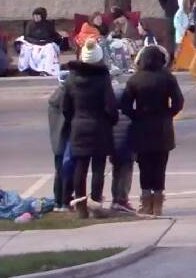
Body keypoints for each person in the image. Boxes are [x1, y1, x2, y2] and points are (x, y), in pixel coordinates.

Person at [121, 45, 184, 217]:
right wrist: (168, 114)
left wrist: (136, 115)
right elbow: (178, 102)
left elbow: (125, 105)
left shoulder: (135, 79)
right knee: (160, 166)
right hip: (162, 127)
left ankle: (146, 201)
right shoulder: (168, 78)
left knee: (144, 166)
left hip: (142, 126)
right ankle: (158, 202)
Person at [62, 39, 119, 219]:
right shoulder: (103, 78)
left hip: (79, 126)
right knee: (98, 168)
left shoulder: (71, 78)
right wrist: (112, 120)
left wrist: (73, 120)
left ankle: (80, 207)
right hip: (100, 127)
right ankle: (95, 204)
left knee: (80, 167)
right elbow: (110, 106)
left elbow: (65, 107)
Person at [110, 77, 135, 214]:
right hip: (127, 150)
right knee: (125, 175)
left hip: (114, 149)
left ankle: (115, 198)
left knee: (116, 174)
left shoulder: (111, 116)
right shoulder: (129, 115)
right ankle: (122, 199)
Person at [47, 77, 72, 211]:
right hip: (65, 141)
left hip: (57, 143)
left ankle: (58, 201)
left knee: (59, 171)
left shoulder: (53, 103)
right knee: (67, 170)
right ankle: (64, 201)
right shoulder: (64, 98)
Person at [17, 7, 64, 77]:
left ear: (43, 16)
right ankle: (26, 68)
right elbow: (26, 37)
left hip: (45, 44)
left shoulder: (48, 24)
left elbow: (53, 36)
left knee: (50, 48)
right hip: (32, 43)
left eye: (38, 16)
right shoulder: (30, 24)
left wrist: (46, 41)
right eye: (34, 16)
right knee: (25, 47)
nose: (35, 18)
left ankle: (46, 69)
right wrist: (36, 42)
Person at [172, 0, 196, 71]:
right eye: (187, 1)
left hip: (189, 35)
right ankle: (176, 65)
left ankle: (187, 65)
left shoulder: (190, 13)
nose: (189, 3)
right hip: (181, 36)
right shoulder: (179, 13)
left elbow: (192, 22)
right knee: (179, 50)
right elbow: (177, 25)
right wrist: (184, 32)